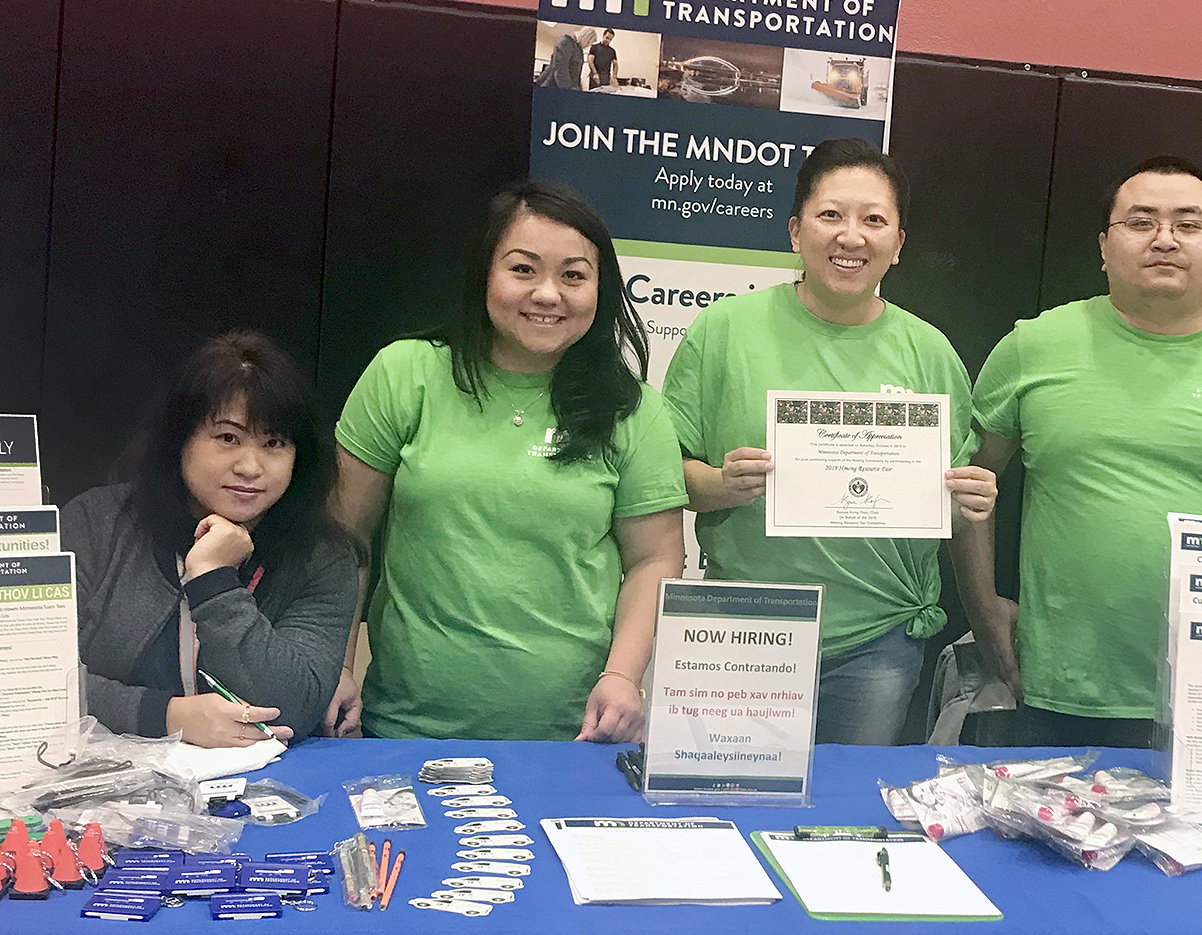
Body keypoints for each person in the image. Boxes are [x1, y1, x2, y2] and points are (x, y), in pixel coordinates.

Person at [970, 155, 1202, 748]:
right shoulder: (1033, 346)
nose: (1165, 239)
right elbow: (970, 487)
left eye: (1189, 224)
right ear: (1104, 245)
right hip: (1062, 685)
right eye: (1140, 222)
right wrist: (983, 606)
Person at [661, 138, 1000, 745]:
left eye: (874, 220)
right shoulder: (724, 332)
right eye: (830, 215)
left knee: (839, 818)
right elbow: (661, 479)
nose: (852, 236)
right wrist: (719, 485)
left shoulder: (929, 351)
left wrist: (964, 498)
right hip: (744, 633)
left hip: (876, 640)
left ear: (898, 244)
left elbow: (947, 498)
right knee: (729, 803)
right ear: (796, 232)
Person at [324, 180, 686, 742]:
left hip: (573, 738)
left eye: (573, 275)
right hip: (403, 728)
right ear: (485, 275)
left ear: (601, 289)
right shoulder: (406, 375)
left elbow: (655, 560)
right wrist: (337, 665)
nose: (548, 294)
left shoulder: (634, 411)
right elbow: (346, 540)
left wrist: (623, 677)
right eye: (523, 269)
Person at [60, 331, 358, 747]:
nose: (250, 466)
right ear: (180, 441)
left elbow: (293, 707)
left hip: (263, 786)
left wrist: (215, 581)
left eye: (273, 443)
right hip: (97, 779)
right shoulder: (95, 524)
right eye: (228, 438)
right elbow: (29, 683)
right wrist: (164, 716)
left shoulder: (322, 557)